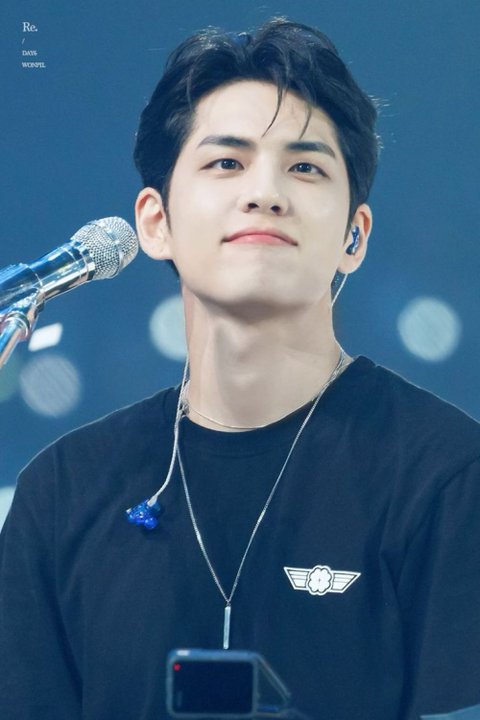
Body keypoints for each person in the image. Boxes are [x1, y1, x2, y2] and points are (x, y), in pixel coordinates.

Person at [1, 17, 480, 720]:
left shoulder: (450, 476)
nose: (265, 193)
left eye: (305, 167)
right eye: (227, 162)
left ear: (354, 236)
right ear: (155, 222)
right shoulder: (63, 492)